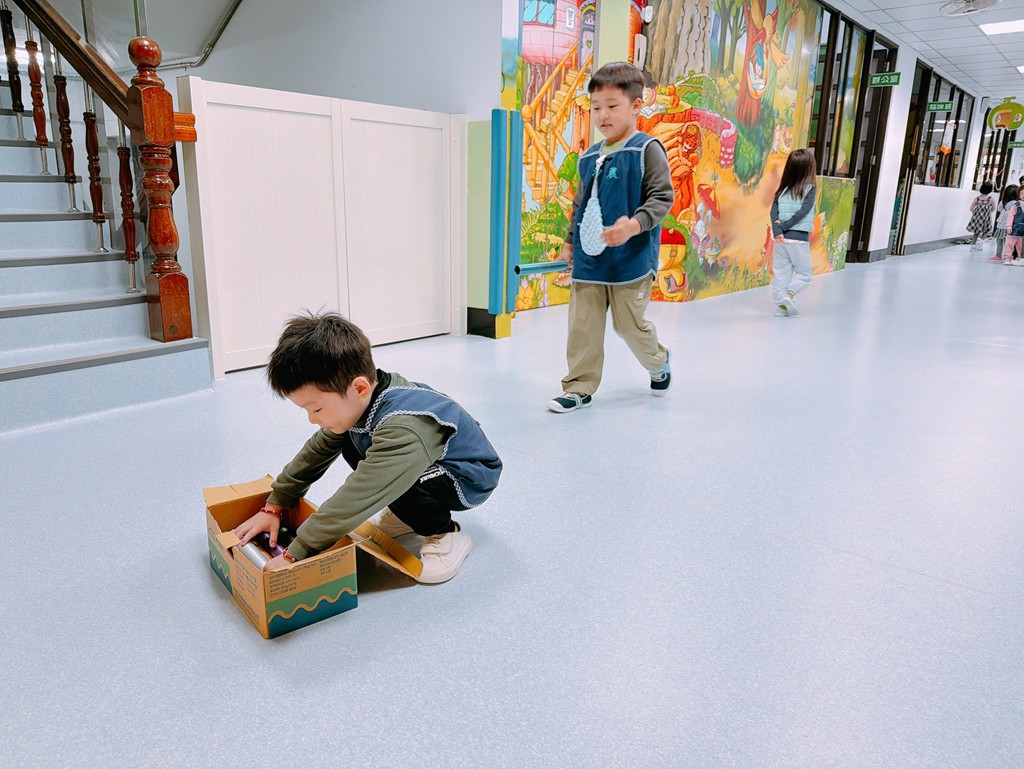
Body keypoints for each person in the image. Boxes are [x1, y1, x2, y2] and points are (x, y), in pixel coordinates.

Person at [233, 312, 503, 583]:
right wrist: (275, 504)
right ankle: (408, 514)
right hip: (424, 463)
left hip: (467, 478)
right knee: (351, 442)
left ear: (359, 388)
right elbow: (316, 452)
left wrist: (297, 551)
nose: (312, 419)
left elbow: (364, 490)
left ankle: (443, 532)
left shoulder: (405, 429)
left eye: (317, 409)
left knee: (382, 474)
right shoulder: (362, 402)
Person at [548, 62, 675, 414]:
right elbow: (579, 203)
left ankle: (658, 360)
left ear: (636, 106)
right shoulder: (589, 156)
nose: (603, 115)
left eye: (612, 106)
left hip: (630, 259)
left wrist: (632, 226)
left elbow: (662, 197)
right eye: (596, 107)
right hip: (589, 258)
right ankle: (579, 387)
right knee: (583, 326)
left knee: (629, 325)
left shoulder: (646, 149)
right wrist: (570, 241)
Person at [770, 148, 817, 317]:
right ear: (809, 168)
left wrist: (778, 230)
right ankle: (788, 295)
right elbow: (803, 212)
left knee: (781, 273)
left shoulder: (782, 190)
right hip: (798, 239)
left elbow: (773, 212)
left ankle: (781, 308)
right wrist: (786, 226)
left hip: (780, 240)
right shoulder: (811, 188)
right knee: (805, 275)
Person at [992, 184, 1018, 261]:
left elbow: (999, 209)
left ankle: (998, 255)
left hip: (1000, 225)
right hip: (1009, 226)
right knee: (1008, 243)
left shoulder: (1003, 202)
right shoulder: (1016, 203)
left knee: (999, 241)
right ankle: (1008, 256)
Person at [966, 181, 995, 251]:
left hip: (977, 218)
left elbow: (971, 208)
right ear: (990, 190)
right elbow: (994, 208)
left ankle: (973, 246)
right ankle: (980, 242)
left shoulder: (977, 199)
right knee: (986, 231)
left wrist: (975, 214)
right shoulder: (990, 199)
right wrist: (988, 212)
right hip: (986, 218)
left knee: (976, 232)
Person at [1001, 187, 1024, 267]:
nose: (1023, 195)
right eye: (1021, 194)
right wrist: (1009, 226)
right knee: (1009, 244)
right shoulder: (1015, 205)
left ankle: (1020, 258)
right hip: (1014, 228)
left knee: (1021, 246)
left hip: (1022, 231)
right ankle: (1007, 258)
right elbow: (1010, 216)